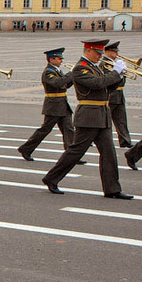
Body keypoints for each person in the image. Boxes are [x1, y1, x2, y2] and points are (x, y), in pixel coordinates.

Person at [42, 39, 132, 199]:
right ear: (89, 50)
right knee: (76, 151)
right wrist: (115, 73)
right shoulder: (80, 69)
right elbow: (98, 84)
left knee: (109, 153)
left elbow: (107, 87)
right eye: (98, 53)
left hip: (102, 114)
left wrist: (119, 75)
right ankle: (51, 178)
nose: (100, 56)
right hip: (89, 116)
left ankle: (112, 189)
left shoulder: (93, 67)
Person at [17, 48, 75, 161]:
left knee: (69, 130)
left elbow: (64, 85)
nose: (61, 61)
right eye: (59, 58)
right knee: (44, 130)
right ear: (51, 59)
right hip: (53, 106)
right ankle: (26, 148)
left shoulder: (57, 70)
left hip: (63, 104)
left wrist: (72, 79)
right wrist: (71, 74)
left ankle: (71, 155)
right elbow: (58, 83)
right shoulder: (48, 72)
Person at [103, 42, 132, 148]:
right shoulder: (104, 64)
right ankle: (97, 139)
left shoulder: (116, 63)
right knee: (106, 119)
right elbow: (109, 79)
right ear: (107, 52)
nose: (116, 54)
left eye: (116, 52)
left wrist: (123, 71)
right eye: (114, 52)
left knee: (121, 119)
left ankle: (125, 140)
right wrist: (118, 73)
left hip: (119, 93)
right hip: (111, 93)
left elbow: (121, 79)